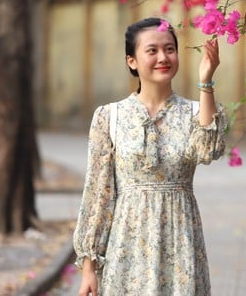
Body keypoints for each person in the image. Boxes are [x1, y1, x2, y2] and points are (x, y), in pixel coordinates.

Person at [73, 17, 227, 296]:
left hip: (180, 242)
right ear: (131, 61)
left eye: (169, 49)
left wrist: (206, 82)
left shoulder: (195, 112)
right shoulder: (109, 117)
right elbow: (98, 194)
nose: (163, 57)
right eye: (152, 50)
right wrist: (89, 268)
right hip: (126, 245)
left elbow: (208, 150)